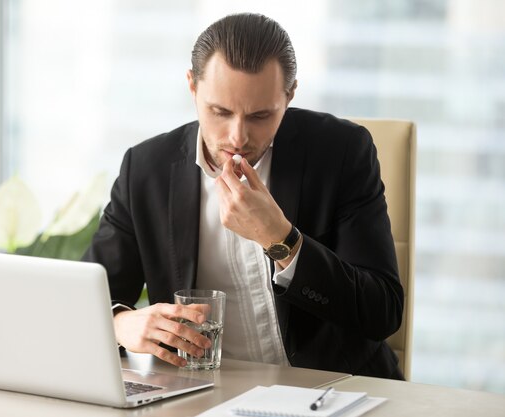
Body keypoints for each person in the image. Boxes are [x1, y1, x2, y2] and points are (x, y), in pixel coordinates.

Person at [84, 13, 404, 379]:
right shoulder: (146, 169)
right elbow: (85, 300)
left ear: (290, 95)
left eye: (260, 116)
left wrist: (281, 239)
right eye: (220, 111)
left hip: (332, 389)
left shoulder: (343, 152)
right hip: (202, 392)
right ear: (192, 87)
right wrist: (119, 323)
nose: (238, 137)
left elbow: (382, 312)